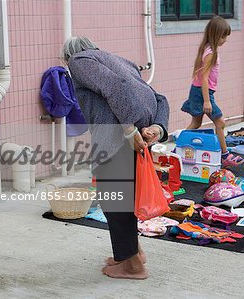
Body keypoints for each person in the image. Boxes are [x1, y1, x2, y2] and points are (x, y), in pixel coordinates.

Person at [62, 37, 169, 279]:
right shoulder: (121, 61)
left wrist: (128, 127)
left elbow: (114, 85)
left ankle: (133, 267)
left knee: (114, 202)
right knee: (124, 201)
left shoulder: (78, 61)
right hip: (137, 139)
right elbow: (159, 98)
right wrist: (157, 128)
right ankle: (132, 254)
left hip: (117, 141)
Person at [181, 16, 243, 168]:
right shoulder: (210, 53)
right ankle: (225, 155)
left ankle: (180, 145)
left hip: (198, 92)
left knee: (196, 122)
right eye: (223, 36)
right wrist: (207, 100)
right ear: (215, 35)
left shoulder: (208, 48)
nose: (225, 40)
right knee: (220, 122)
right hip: (202, 93)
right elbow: (204, 78)